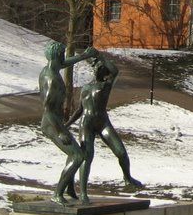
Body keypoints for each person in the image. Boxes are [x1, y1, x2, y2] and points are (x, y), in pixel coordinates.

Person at [67, 51, 144, 204]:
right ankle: (83, 192)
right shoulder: (86, 88)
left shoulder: (106, 85)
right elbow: (80, 110)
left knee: (121, 152)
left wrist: (100, 56)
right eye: (96, 67)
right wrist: (68, 124)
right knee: (87, 157)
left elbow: (116, 71)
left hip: (103, 122)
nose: (97, 69)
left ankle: (127, 178)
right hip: (86, 123)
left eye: (101, 67)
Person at [39, 41, 98, 204]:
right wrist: (59, 131)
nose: (64, 58)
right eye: (62, 55)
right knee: (77, 155)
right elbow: (48, 110)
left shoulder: (50, 69)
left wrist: (84, 55)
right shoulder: (52, 80)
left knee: (75, 153)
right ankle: (58, 193)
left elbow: (66, 63)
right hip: (52, 123)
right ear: (58, 56)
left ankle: (69, 188)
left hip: (55, 121)